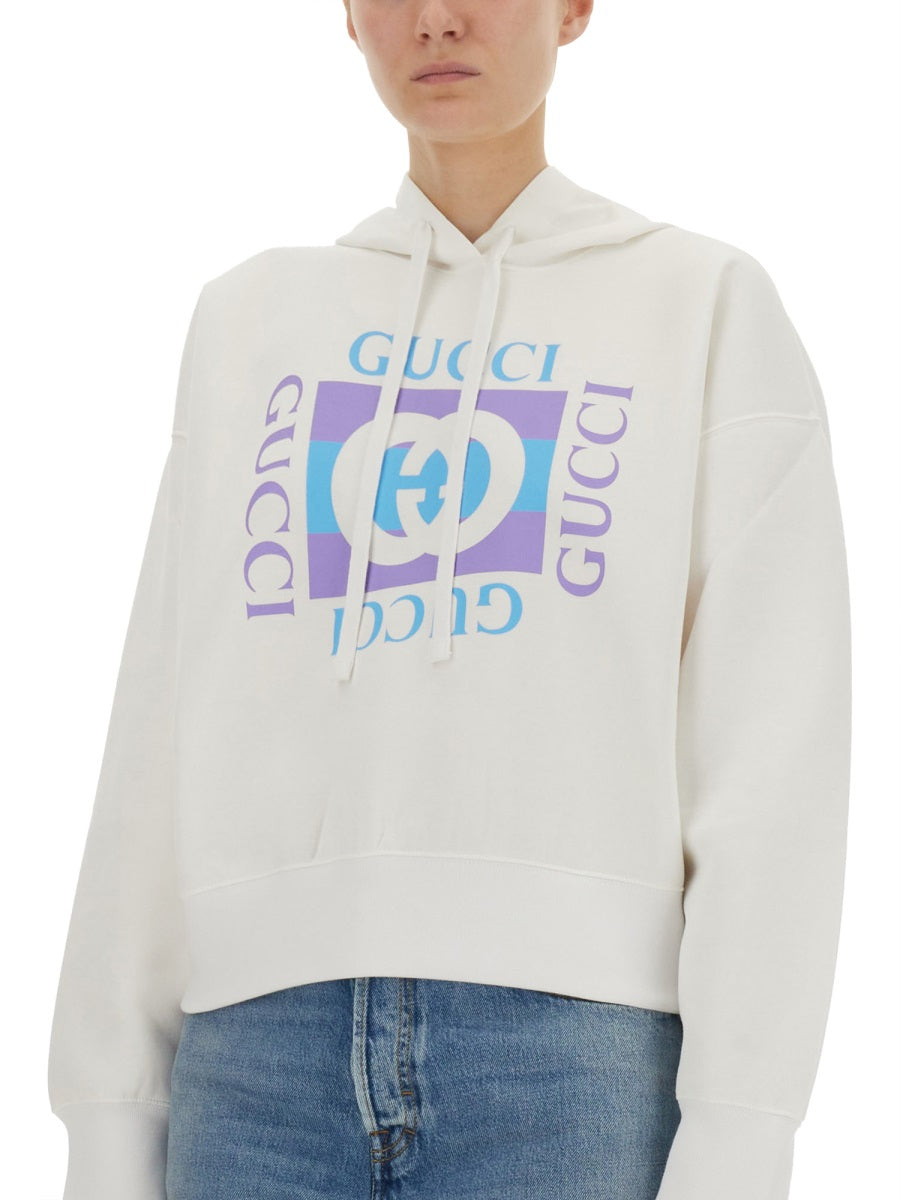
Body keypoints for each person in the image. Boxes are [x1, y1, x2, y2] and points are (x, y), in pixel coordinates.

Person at [46, 1, 852, 1198]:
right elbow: (161, 724)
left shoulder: (703, 305)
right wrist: (109, 1116)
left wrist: (742, 1133)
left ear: (575, 8)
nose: (436, 18)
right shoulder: (251, 319)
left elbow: (772, 756)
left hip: (572, 1066)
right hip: (252, 1065)